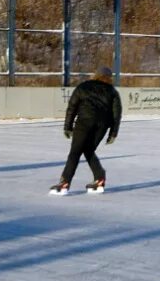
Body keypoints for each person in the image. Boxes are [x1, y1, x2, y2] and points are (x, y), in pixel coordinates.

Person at [50, 66, 122, 195]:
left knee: (75, 153)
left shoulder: (84, 86)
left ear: (96, 75)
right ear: (109, 78)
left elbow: (72, 106)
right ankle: (99, 177)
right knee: (88, 150)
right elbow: (117, 114)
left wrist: (68, 126)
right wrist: (113, 133)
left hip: (84, 123)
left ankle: (65, 182)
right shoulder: (112, 91)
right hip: (102, 126)